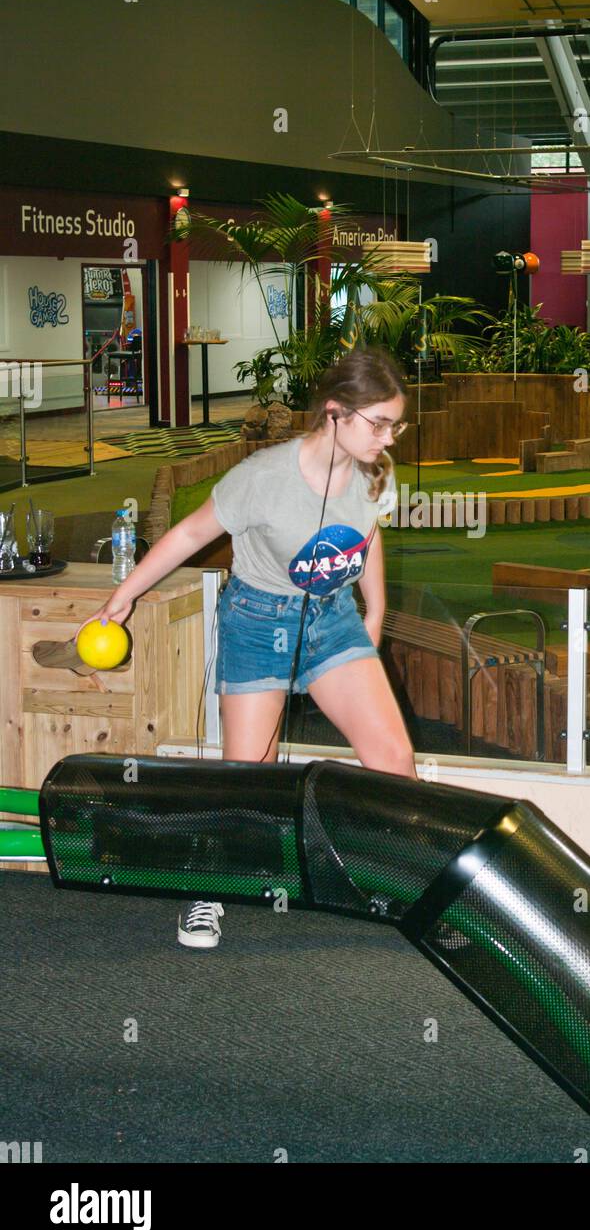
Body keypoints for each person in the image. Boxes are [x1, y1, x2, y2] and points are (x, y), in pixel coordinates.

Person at [81, 345, 417, 949]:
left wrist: (380, 607)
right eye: (380, 423)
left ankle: (411, 889)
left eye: (395, 423)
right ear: (336, 413)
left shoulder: (373, 472)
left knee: (394, 761)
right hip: (259, 622)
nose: (389, 438)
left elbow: (366, 536)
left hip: (333, 619)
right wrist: (125, 595)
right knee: (247, 779)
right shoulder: (263, 476)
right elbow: (188, 533)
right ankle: (205, 894)